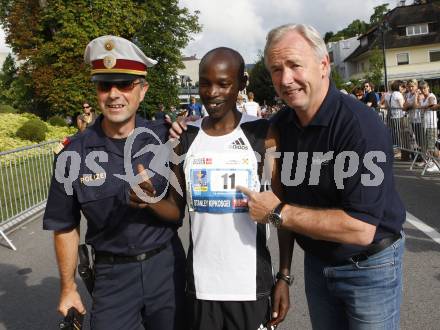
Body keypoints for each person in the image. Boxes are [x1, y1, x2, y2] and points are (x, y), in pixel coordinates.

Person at [238, 24, 406, 330]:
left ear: (324, 64)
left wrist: (277, 212)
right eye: (276, 69)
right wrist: (284, 275)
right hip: (317, 264)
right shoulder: (282, 125)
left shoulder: (359, 127)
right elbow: (223, 128)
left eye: (294, 65)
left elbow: (360, 229)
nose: (285, 79)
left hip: (369, 266)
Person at [132, 47, 290, 330]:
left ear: (241, 85)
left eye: (223, 83)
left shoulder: (263, 134)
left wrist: (284, 277)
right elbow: (174, 209)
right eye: (205, 83)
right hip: (202, 288)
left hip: (251, 286)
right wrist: (149, 200)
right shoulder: (186, 139)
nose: (212, 92)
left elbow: (283, 213)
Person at [43, 35, 186, 330]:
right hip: (112, 276)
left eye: (125, 84)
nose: (114, 94)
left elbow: (180, 209)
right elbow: (65, 226)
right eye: (105, 85)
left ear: (142, 91)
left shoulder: (165, 139)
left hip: (166, 267)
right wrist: (68, 288)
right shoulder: (72, 155)